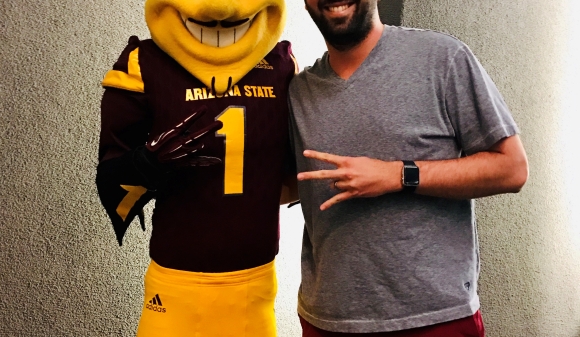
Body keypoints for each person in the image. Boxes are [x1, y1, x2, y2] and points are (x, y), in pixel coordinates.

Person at [287, 0, 529, 336]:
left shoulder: (442, 58)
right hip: (326, 319)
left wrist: (399, 175)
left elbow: (512, 168)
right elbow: (288, 183)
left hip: (435, 319)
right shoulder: (300, 91)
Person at [95, 0, 298, 336]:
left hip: (256, 284)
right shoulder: (144, 63)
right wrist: (145, 163)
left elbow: (298, 166)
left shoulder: (281, 64)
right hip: (176, 282)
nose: (220, 11)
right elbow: (109, 180)